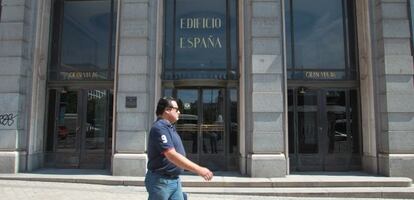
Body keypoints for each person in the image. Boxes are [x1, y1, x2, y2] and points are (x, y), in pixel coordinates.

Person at [145, 97, 214, 200]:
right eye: (176, 109)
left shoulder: (169, 127)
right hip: (161, 181)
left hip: (174, 180)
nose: (179, 112)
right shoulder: (159, 128)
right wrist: (199, 170)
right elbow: (171, 155)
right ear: (167, 110)